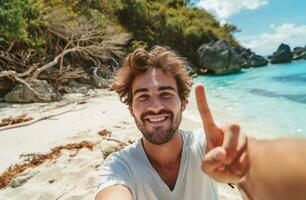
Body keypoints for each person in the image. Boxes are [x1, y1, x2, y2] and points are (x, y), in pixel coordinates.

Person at [95, 46, 249, 200]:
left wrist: (238, 169)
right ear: (131, 108)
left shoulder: (206, 147)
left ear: (183, 103)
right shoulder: (120, 166)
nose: (155, 107)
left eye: (165, 94)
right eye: (143, 96)